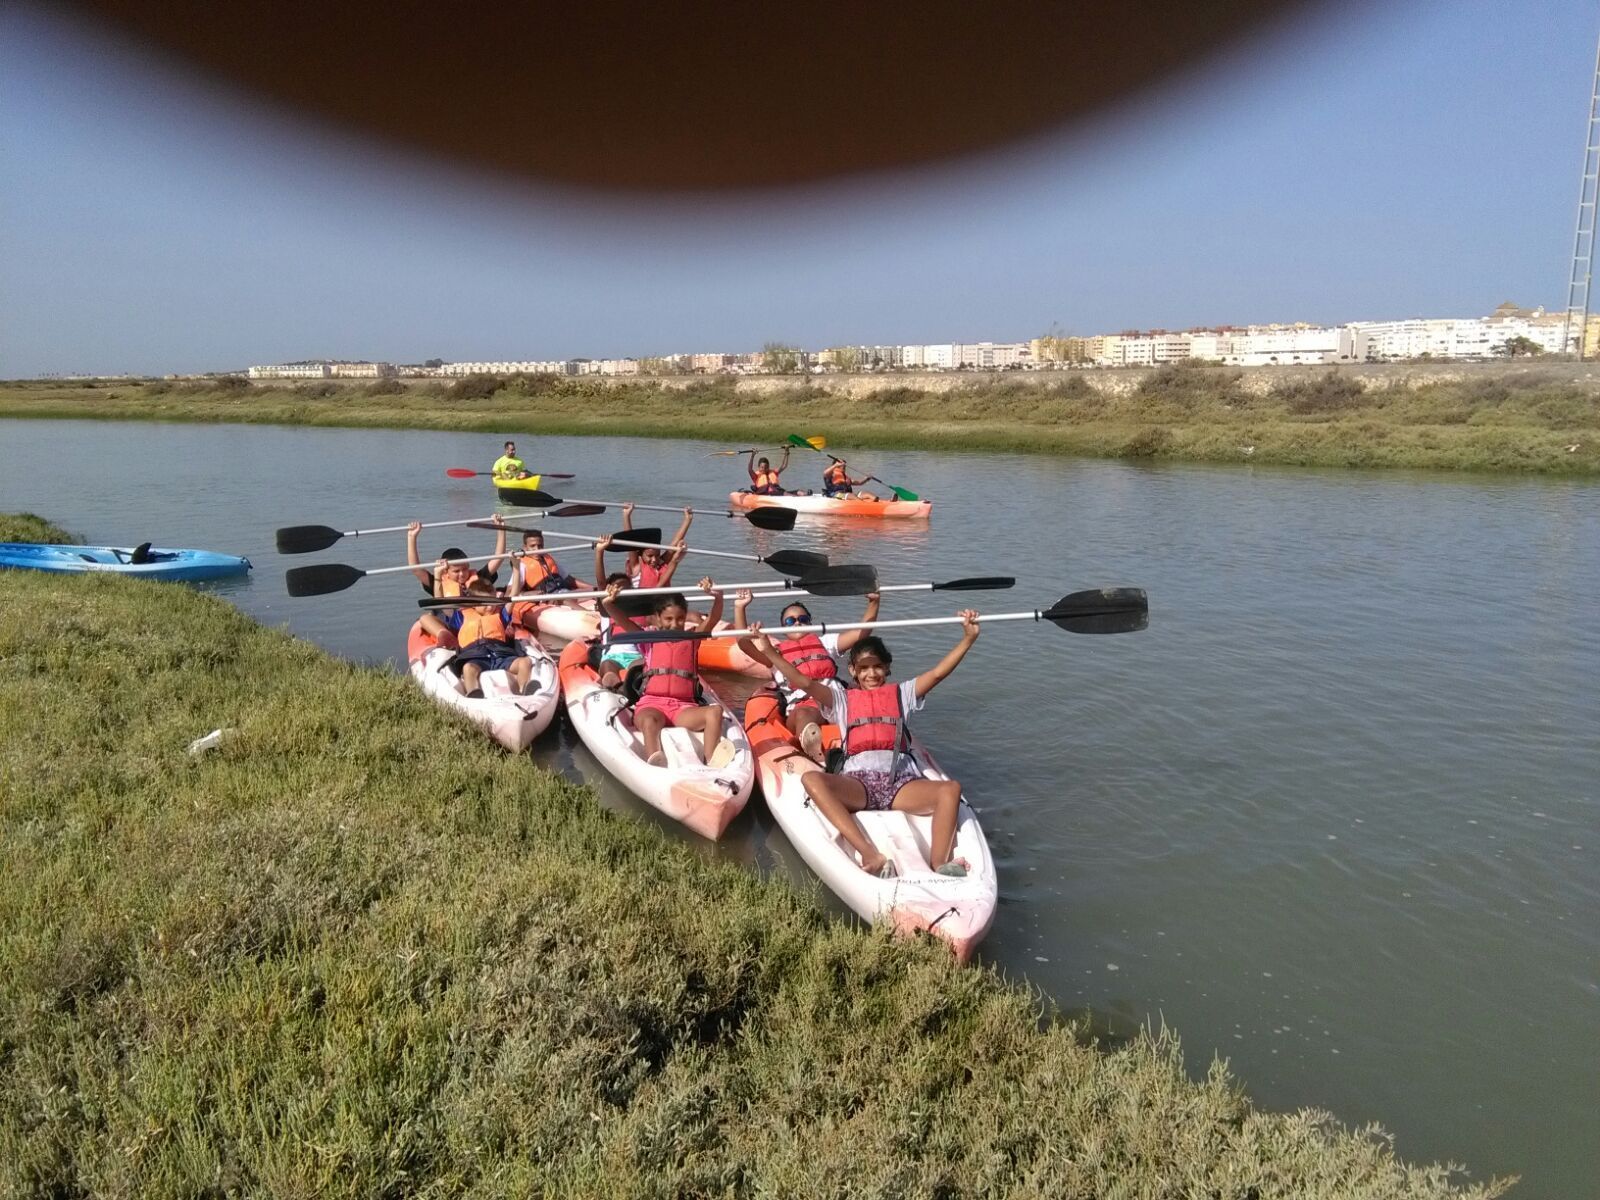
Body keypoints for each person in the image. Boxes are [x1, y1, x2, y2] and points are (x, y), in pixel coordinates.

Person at [750, 611, 981, 879]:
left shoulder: (903, 693)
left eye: (877, 667)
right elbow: (803, 682)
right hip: (859, 783)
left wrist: (968, 638)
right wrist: (770, 652)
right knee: (813, 780)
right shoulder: (841, 700)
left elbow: (939, 673)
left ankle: (940, 862)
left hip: (901, 783)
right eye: (863, 668)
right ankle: (870, 855)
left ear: (887, 668)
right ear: (853, 671)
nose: (871, 673)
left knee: (951, 789)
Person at [732, 588, 881, 761]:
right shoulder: (774, 654)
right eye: (790, 621)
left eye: (803, 620)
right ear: (783, 629)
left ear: (811, 624)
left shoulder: (826, 643)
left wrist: (873, 602)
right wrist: (740, 608)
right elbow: (743, 644)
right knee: (804, 714)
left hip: (834, 700)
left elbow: (861, 633)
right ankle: (814, 754)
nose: (797, 623)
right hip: (802, 707)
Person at [601, 577, 731, 768]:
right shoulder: (648, 639)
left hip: (683, 707)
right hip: (652, 704)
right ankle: (655, 759)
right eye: (668, 619)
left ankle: (711, 760)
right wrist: (608, 603)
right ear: (658, 618)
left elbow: (713, 618)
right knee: (650, 721)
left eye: (679, 619)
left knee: (715, 712)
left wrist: (717, 597)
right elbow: (623, 620)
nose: (674, 624)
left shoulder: (693, 638)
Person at [436, 578, 535, 698]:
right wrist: (438, 575)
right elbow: (440, 602)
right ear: (473, 603)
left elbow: (514, 591)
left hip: (500, 655)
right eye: (485, 603)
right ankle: (473, 692)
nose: (490, 607)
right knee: (468, 668)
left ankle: (523, 691)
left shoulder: (501, 614)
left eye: (492, 601)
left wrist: (516, 567)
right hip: (475, 656)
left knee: (525, 662)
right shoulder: (460, 617)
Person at [506, 527, 590, 633]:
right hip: (550, 598)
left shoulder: (548, 558)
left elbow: (570, 580)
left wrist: (594, 588)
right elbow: (509, 592)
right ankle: (591, 617)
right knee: (563, 598)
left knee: (594, 591)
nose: (537, 549)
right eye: (532, 546)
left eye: (540, 545)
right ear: (525, 547)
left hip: (564, 592)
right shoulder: (522, 565)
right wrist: (525, 595)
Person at [407, 513, 506, 597]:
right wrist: (412, 537)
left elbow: (499, 558)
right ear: (446, 571)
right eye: (456, 571)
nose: (462, 574)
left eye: (465, 569)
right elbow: (416, 568)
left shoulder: (478, 579)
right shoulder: (436, 581)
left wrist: (500, 529)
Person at [621, 502, 692, 588]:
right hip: (642, 600)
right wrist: (626, 515)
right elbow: (629, 539)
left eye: (657, 555)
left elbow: (675, 543)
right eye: (649, 556)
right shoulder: (636, 565)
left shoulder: (661, 562)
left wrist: (687, 519)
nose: (654, 560)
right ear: (641, 554)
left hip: (660, 600)